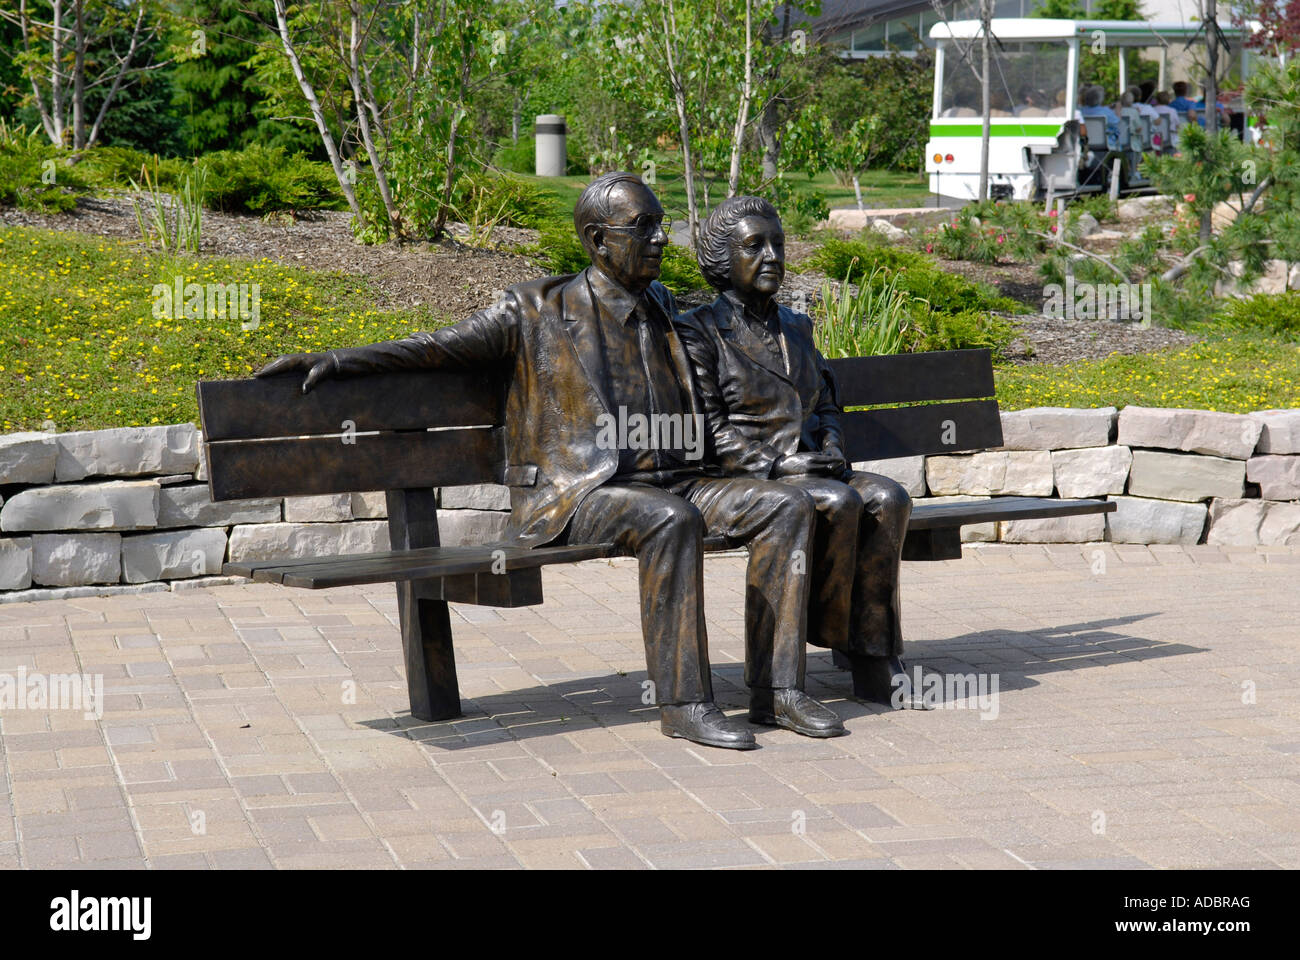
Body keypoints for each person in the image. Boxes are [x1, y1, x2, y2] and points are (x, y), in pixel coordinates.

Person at [255, 172, 846, 748]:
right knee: (669, 519)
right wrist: (337, 359)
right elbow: (436, 348)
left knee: (784, 506)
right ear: (597, 239)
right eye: (644, 228)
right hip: (585, 492)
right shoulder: (537, 310)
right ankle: (686, 702)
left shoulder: (667, 306)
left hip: (683, 479)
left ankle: (778, 690)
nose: (662, 239)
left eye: (661, 226)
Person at [675, 196, 927, 710]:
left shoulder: (798, 326)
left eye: (778, 244)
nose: (772, 256)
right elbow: (707, 428)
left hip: (814, 466)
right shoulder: (698, 331)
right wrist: (776, 464)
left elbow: (827, 404)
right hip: (736, 477)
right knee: (836, 502)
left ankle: (877, 658)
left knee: (888, 497)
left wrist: (832, 444)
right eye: (754, 246)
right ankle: (821, 645)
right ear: (723, 259)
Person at [1080, 84, 1121, 150]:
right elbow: (1118, 122)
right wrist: (1118, 109)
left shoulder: (1081, 111)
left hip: (1086, 145)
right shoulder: (1105, 111)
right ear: (1100, 99)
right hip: (1106, 147)